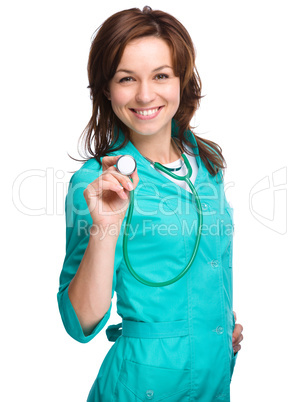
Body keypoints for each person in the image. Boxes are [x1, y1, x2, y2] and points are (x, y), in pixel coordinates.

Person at [57, 6, 243, 401]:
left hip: (214, 378)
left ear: (182, 81)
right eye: (127, 79)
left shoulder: (206, 162)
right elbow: (80, 321)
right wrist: (105, 229)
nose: (145, 95)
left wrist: (217, 328)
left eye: (161, 75)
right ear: (107, 88)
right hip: (144, 386)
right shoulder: (95, 184)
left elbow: (206, 269)